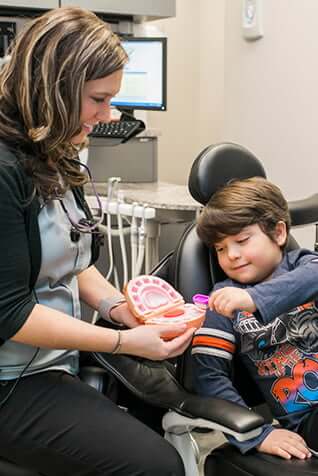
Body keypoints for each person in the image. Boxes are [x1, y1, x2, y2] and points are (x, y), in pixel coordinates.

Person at [0, 7, 194, 476]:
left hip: (50, 363)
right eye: (98, 100)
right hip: (10, 380)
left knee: (158, 412)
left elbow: (74, 257)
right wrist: (123, 341)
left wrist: (118, 309)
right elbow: (11, 314)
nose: (107, 116)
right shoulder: (5, 171)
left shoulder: (53, 148)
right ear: (54, 90)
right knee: (156, 467)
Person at [191, 176, 318, 461]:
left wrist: (256, 299)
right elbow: (208, 375)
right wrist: (258, 434)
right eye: (220, 249)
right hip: (309, 418)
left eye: (242, 240)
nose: (231, 255)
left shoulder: (303, 266)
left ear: (279, 233)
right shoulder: (224, 301)